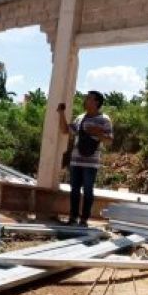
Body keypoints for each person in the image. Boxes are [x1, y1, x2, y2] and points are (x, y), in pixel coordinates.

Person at [57, 91, 113, 227]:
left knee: (88, 190)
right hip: (76, 161)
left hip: (91, 162)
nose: (85, 100)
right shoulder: (80, 118)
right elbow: (65, 131)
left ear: (96, 102)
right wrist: (61, 113)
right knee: (74, 190)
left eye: (88, 98)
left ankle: (84, 220)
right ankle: (73, 218)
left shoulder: (104, 119)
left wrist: (98, 133)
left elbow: (109, 141)